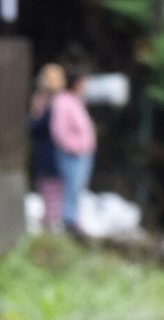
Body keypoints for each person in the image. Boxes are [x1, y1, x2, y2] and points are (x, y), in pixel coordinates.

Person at [49, 66, 97, 236]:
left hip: (82, 153)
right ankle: (68, 221)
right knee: (71, 188)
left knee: (77, 189)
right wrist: (74, 147)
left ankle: (75, 219)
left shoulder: (76, 101)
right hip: (72, 154)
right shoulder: (63, 101)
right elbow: (60, 131)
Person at [29, 63, 67, 231]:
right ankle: (50, 219)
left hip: (55, 151)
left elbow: (37, 126)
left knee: (53, 184)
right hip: (47, 150)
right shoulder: (44, 101)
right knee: (48, 183)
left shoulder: (57, 102)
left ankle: (52, 219)